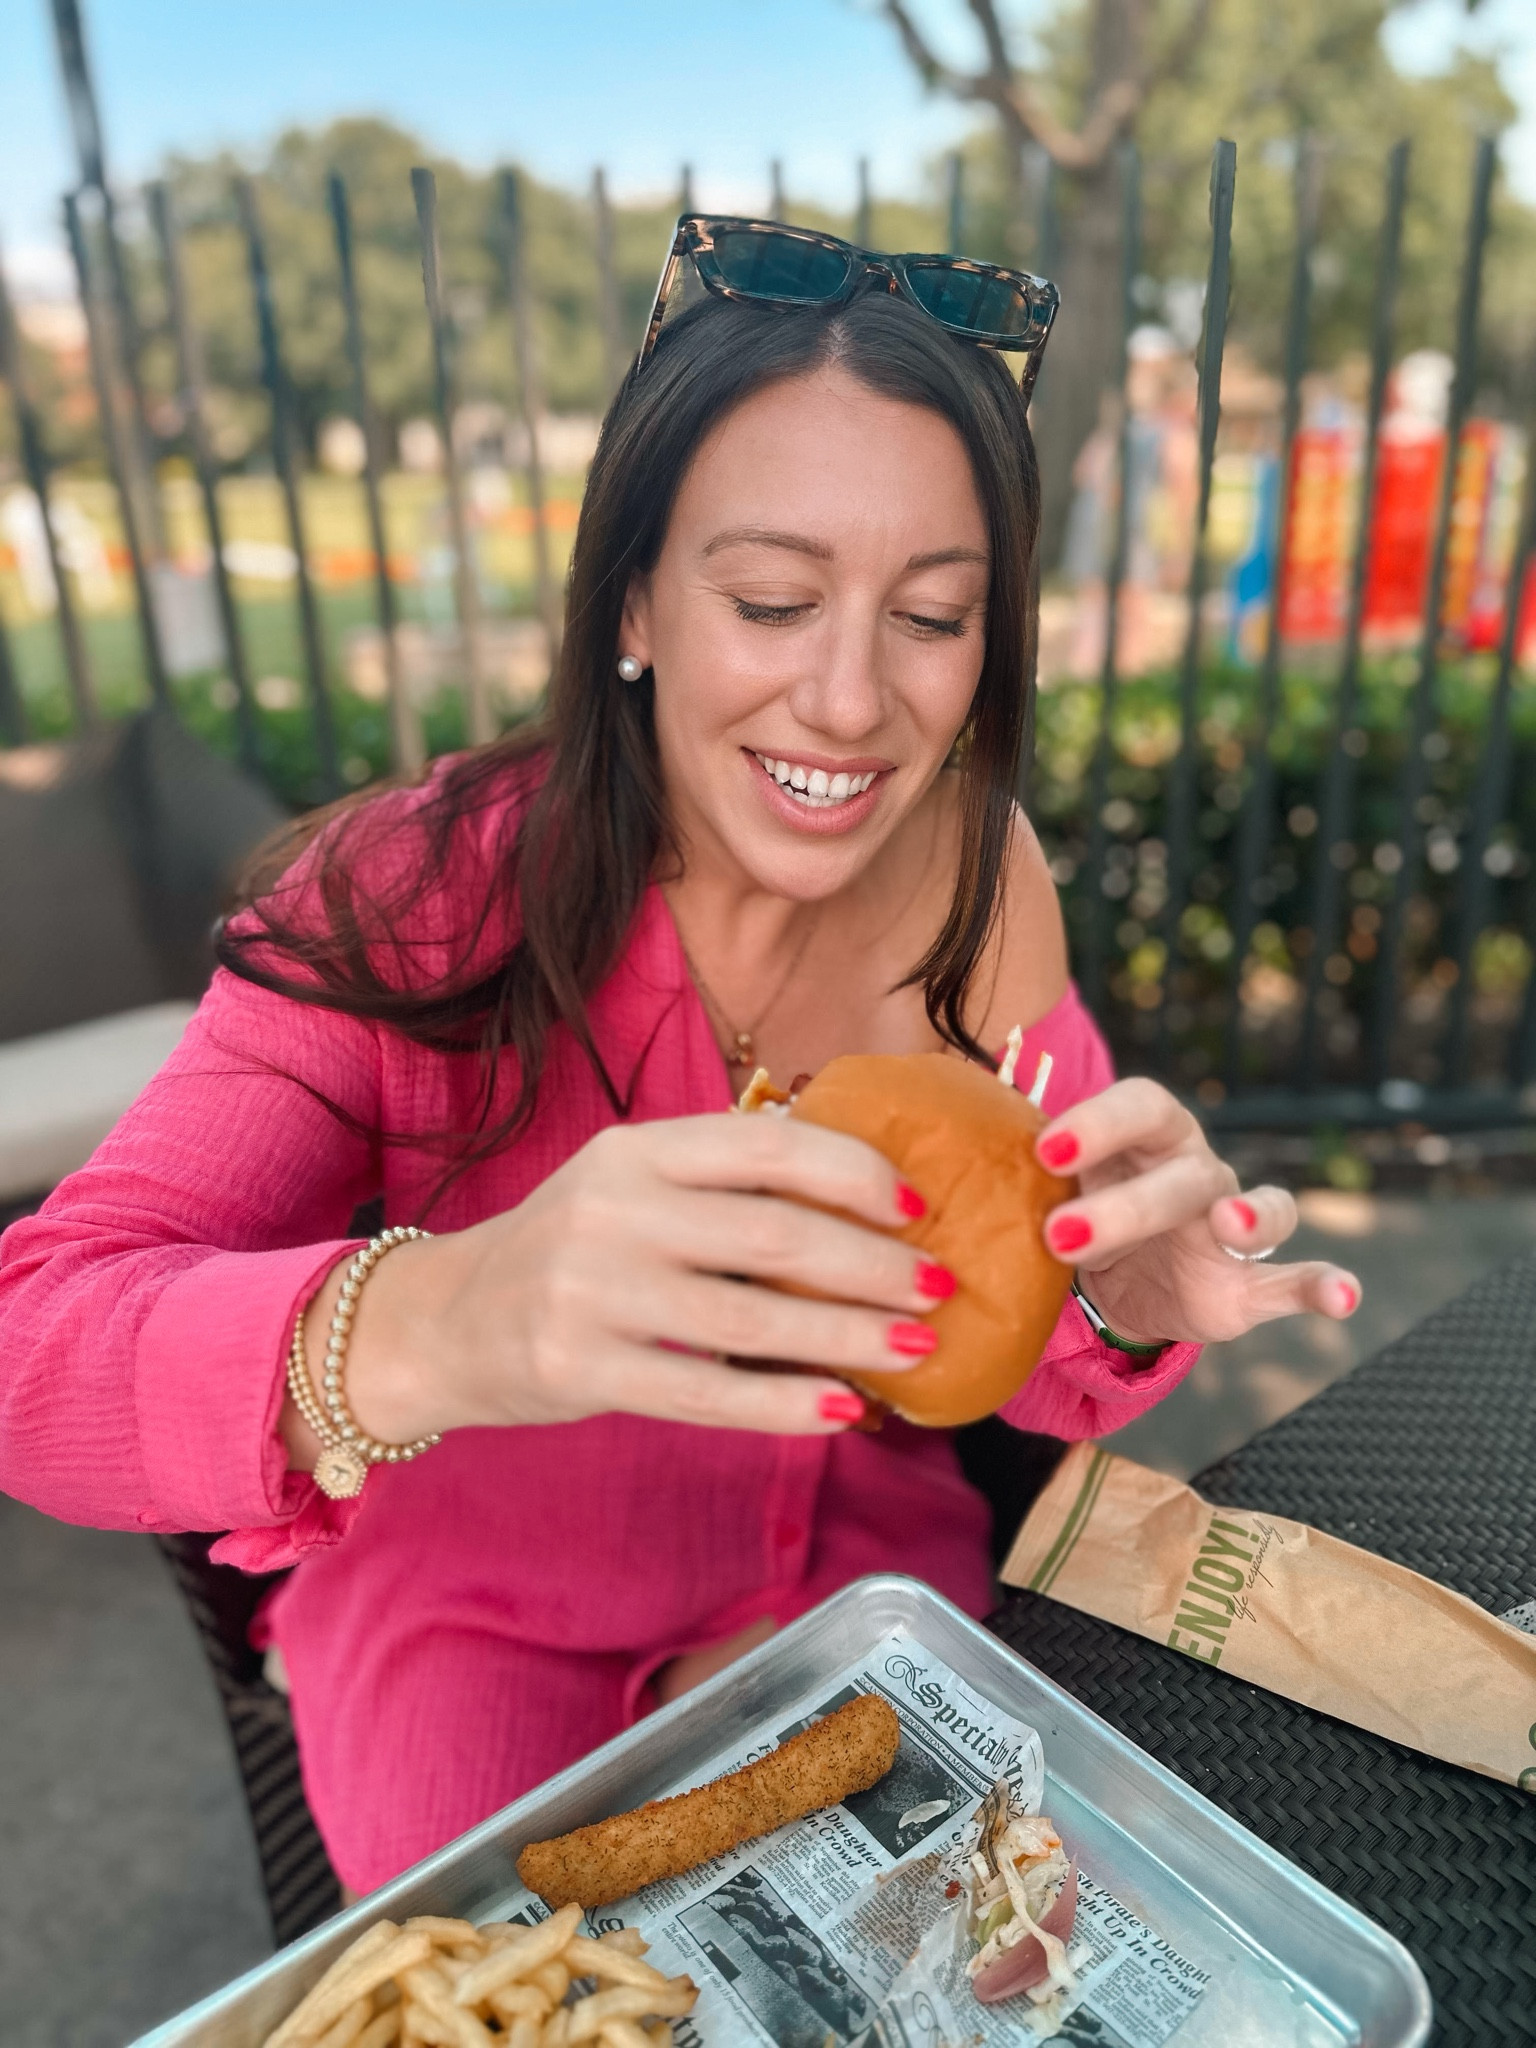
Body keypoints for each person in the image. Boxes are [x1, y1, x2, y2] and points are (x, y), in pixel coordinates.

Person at [0, 218, 1360, 1898]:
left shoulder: (983, 874)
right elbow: (36, 1353)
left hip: (869, 1589)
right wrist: (446, 1318)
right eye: (774, 600)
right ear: (635, 597)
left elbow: (1016, 1318)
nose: (852, 702)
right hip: (472, 1626)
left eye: (933, 617)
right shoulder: (416, 889)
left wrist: (1111, 1293)